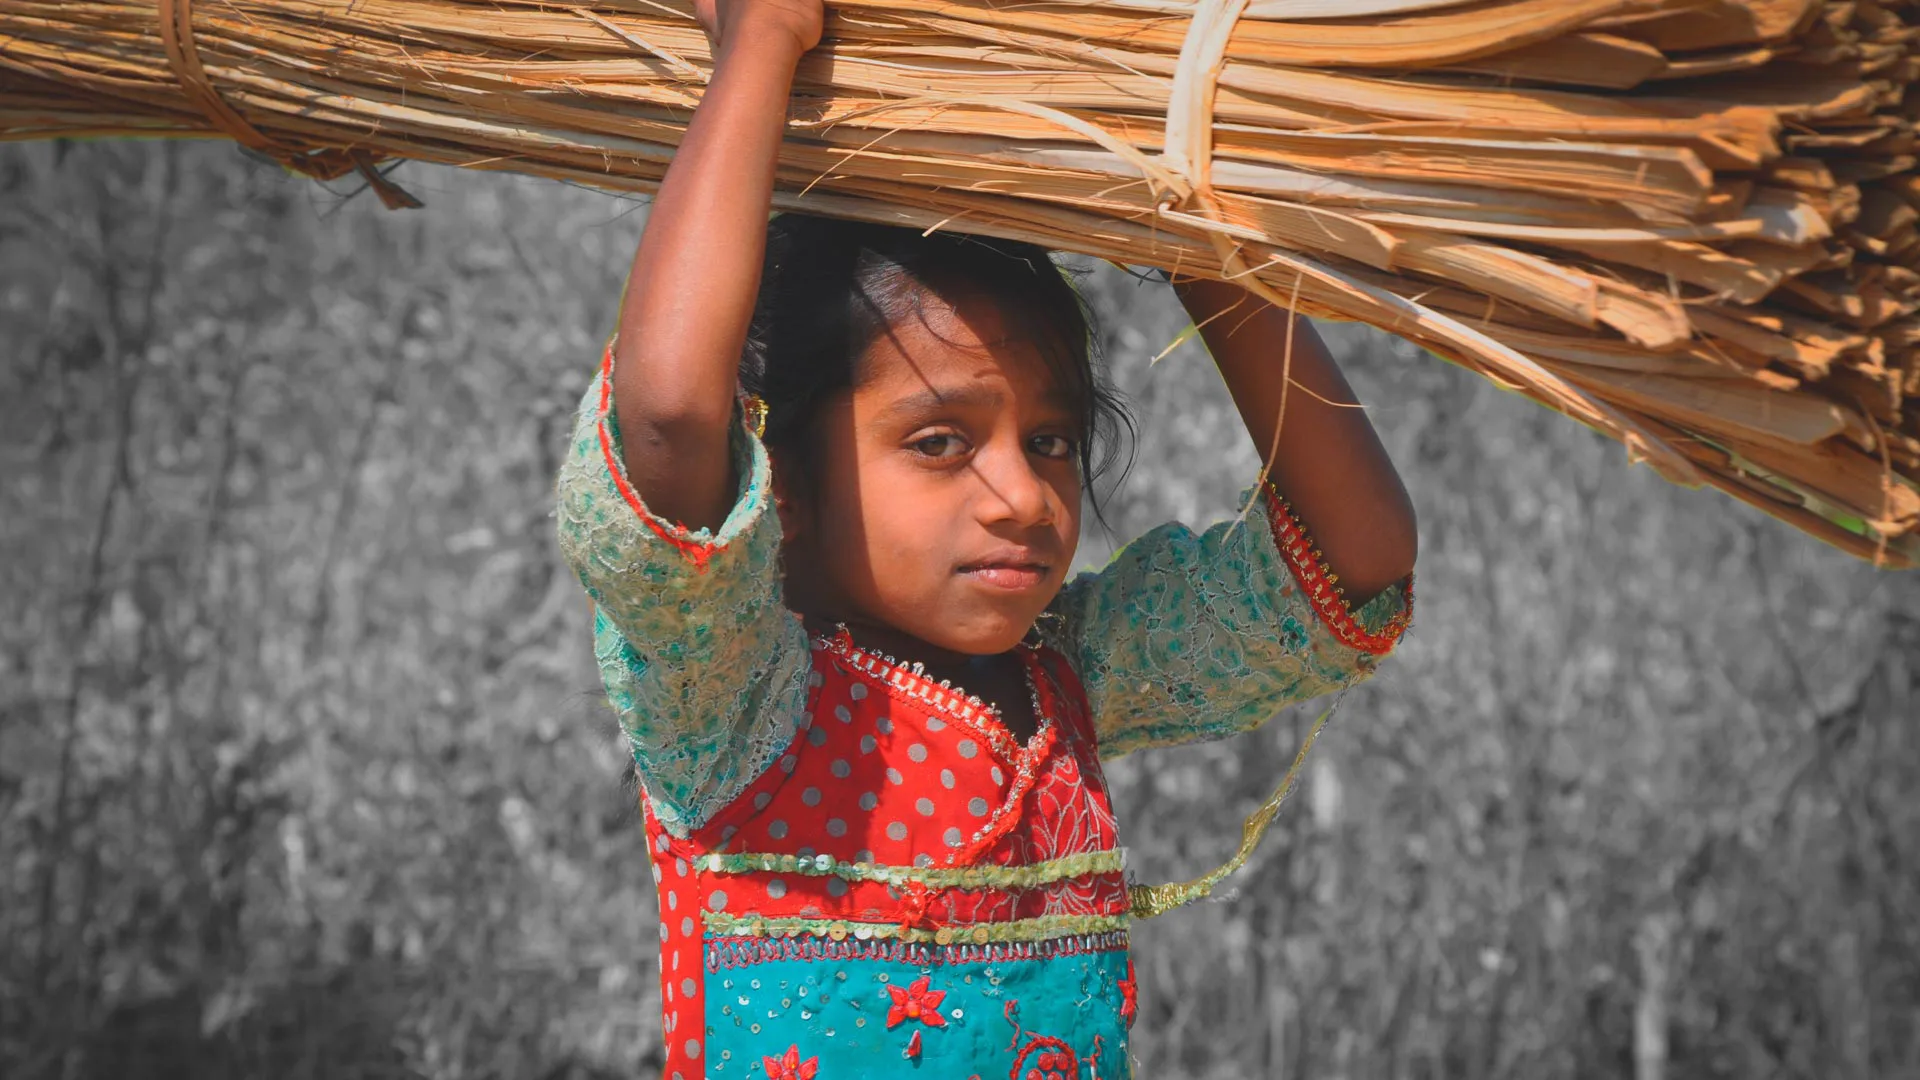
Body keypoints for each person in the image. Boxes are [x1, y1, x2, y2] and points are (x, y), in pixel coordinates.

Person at [552, 0, 1416, 1072]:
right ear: (783, 482)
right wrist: (762, 38)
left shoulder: (1075, 674)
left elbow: (1354, 559)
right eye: (939, 442)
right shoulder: (731, 699)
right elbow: (675, 416)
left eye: (1051, 440)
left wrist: (1192, 233)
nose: (1022, 496)